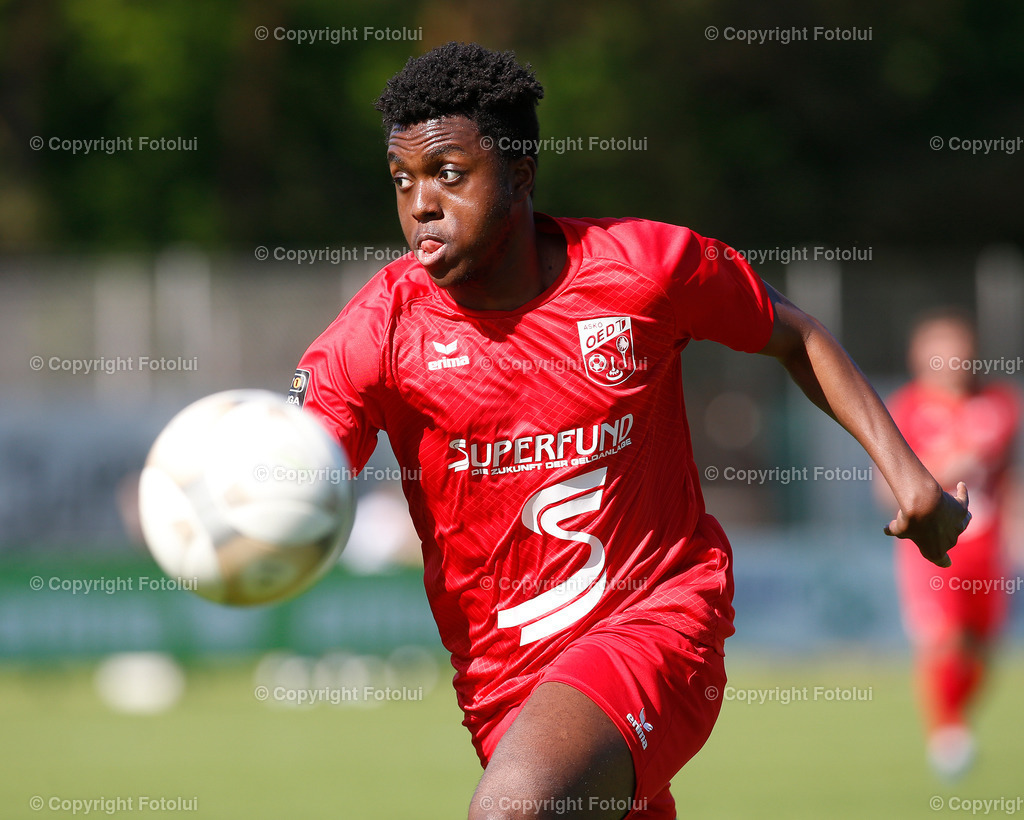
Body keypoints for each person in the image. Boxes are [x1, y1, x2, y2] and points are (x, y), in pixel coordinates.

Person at [290, 42, 970, 820]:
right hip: (502, 684)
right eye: (403, 182)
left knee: (511, 810)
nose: (422, 205)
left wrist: (908, 474)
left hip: (659, 623)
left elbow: (797, 335)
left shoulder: (642, 270)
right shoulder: (375, 332)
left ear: (519, 174)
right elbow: (297, 463)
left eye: (449, 173)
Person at [881, 309, 1019, 779]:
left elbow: (1008, 479)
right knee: (943, 640)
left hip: (988, 548)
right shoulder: (904, 409)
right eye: (940, 350)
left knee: (982, 651)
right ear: (919, 356)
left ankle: (955, 722)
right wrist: (947, 465)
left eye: (959, 348)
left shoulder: (1000, 405)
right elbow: (885, 488)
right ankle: (946, 732)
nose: (952, 359)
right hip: (930, 550)